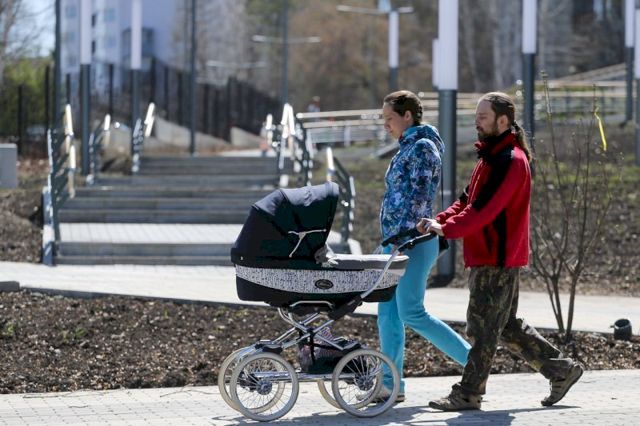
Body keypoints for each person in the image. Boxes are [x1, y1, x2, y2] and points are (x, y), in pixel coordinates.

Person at [418, 91, 584, 411]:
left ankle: (468, 393)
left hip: (497, 257)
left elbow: (484, 210)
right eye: (476, 117)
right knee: (505, 326)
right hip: (490, 255)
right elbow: (466, 201)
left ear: (503, 120)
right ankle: (561, 370)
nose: (476, 122)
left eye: (483, 117)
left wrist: (447, 229)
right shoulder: (491, 157)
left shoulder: (510, 160)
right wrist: (440, 220)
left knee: (482, 328)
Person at [376, 90, 471, 402]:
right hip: (396, 242)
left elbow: (420, 196)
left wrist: (402, 240)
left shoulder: (423, 147)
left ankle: (474, 365)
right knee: (388, 314)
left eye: (389, 118)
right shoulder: (407, 147)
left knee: (412, 312)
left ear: (408, 116)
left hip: (413, 243)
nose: (385, 124)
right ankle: (391, 385)